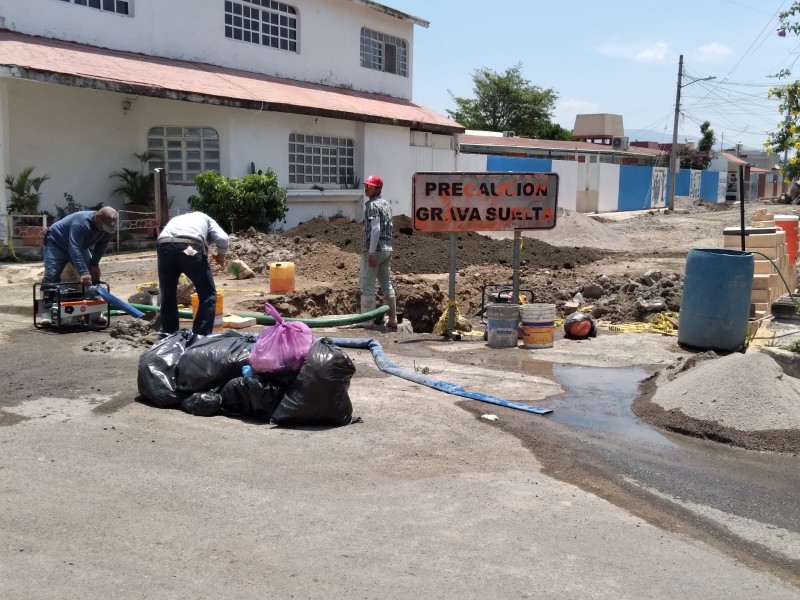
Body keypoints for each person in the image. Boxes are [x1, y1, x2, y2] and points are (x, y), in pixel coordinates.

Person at [38, 206, 119, 326]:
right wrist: (83, 272)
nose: (104, 230)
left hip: (79, 247)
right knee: (51, 276)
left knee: (93, 277)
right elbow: (74, 248)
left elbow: (102, 246)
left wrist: (94, 264)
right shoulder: (81, 223)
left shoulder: (107, 229)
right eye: (102, 226)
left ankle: (95, 312)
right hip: (56, 243)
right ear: (97, 217)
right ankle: (46, 312)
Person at [157, 211, 228, 336]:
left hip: (164, 246)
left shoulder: (178, 219)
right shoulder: (207, 218)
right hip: (189, 247)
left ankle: (169, 338)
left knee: (168, 296)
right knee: (208, 296)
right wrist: (221, 256)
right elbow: (222, 238)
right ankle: (199, 337)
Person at [360, 174, 397, 328]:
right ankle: (393, 319)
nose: (366, 188)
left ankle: (367, 321)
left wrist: (371, 252)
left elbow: (376, 229)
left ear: (378, 188)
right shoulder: (386, 205)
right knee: (386, 283)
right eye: (366, 186)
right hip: (387, 248)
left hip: (376, 249)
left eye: (370, 186)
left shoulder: (372, 206)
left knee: (367, 284)